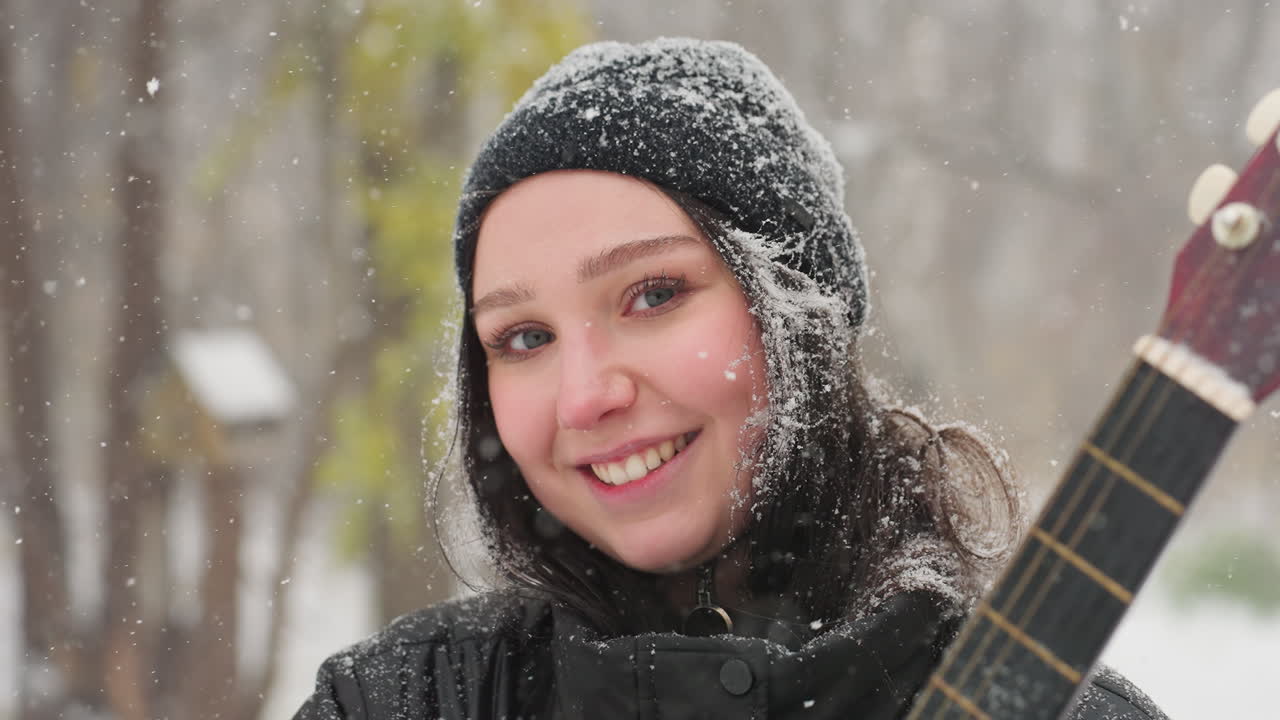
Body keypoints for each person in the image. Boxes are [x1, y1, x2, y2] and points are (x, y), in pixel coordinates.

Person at [294, 38, 1166, 719]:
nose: (585, 396)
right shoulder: (399, 703)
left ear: (800, 310)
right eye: (524, 337)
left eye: (654, 294)